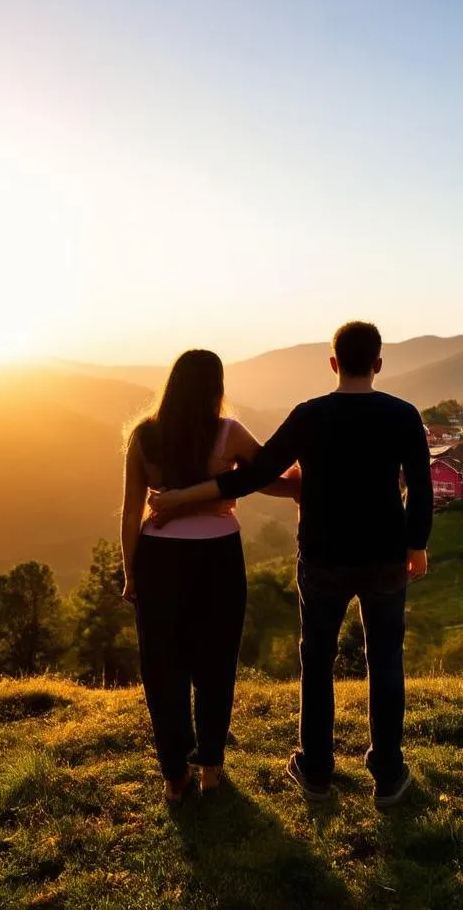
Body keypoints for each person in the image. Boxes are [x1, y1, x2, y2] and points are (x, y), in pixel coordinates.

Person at [149, 321, 432, 809]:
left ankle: (317, 772)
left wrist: (179, 499)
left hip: (322, 557)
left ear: (333, 363)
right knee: (386, 661)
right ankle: (388, 776)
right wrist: (417, 545)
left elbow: (253, 475)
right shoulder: (403, 415)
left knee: (316, 661)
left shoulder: (310, 416)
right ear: (379, 364)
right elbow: (422, 488)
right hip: (386, 555)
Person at [121, 349, 300, 803]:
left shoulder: (144, 437)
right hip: (217, 556)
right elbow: (267, 476)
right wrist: (304, 484)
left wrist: (130, 571)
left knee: (163, 669)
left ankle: (173, 778)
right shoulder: (228, 433)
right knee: (215, 664)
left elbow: (129, 512)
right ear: (216, 388)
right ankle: (211, 773)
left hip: (159, 557)